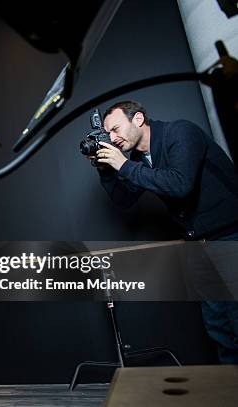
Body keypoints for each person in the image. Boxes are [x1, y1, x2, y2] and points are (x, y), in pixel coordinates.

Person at [93, 100, 238, 363]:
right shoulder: (140, 159)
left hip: (230, 238)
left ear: (137, 119)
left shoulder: (180, 132)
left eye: (115, 129)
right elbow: (125, 200)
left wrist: (124, 166)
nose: (112, 139)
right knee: (220, 329)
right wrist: (106, 170)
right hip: (200, 246)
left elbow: (180, 183)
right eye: (108, 134)